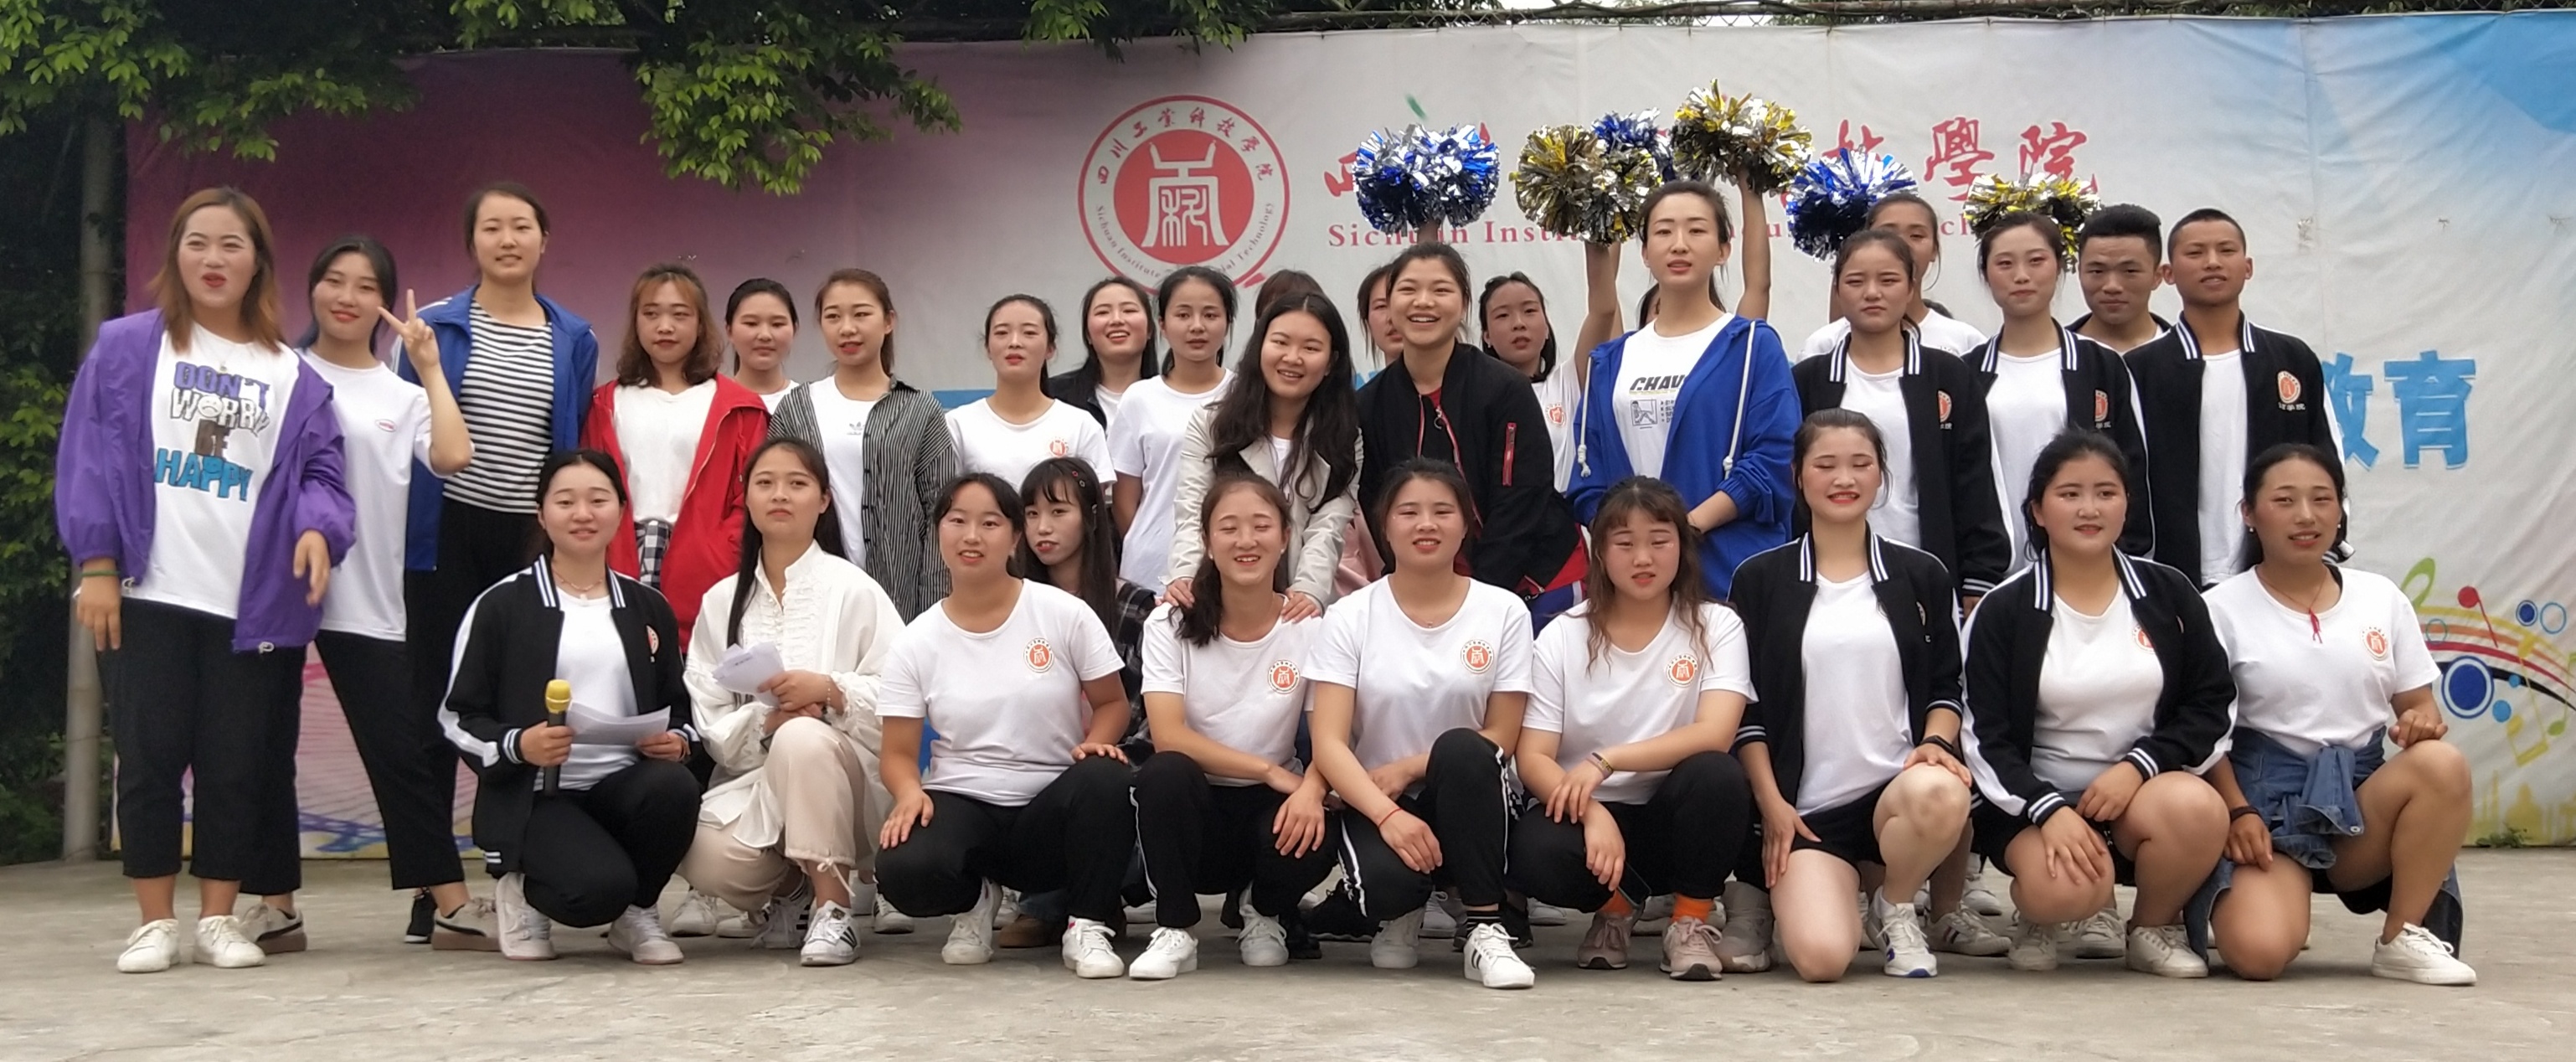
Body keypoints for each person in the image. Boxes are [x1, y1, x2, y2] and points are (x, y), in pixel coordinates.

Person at [59, 188, 356, 973]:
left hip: (251, 605)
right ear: (175, 254)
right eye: (198, 242)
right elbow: (88, 456)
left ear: (258, 261)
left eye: (232, 244)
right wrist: (97, 563)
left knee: (236, 766)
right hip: (147, 593)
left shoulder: (293, 375)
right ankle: (154, 922)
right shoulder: (127, 347)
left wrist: (318, 529)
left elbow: (324, 473)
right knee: (150, 759)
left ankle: (219, 918)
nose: (214, 259)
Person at [240, 236, 486, 953]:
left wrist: (429, 366)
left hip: (368, 593)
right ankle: (276, 905)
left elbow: (453, 455)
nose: (346, 297)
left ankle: (448, 901)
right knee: (265, 744)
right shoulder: (275, 372)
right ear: (311, 288)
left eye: (365, 286)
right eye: (333, 281)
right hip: (273, 588)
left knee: (399, 749)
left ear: (384, 301)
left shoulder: (400, 395)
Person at [1961, 430, 2233, 978]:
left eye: (2106, 493)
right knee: (2065, 891)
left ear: (2127, 504)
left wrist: (2140, 767)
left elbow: (2211, 705)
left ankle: (2152, 927)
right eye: (2070, 494)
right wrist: (2047, 808)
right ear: (2038, 511)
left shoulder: (2169, 593)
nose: (2089, 509)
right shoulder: (2004, 610)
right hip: (2032, 804)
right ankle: (2040, 916)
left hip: (2139, 795)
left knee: (2199, 809)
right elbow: (1983, 737)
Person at [2201, 444, 2475, 985]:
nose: (2306, 516)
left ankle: (2402, 937)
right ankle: (2255, 904)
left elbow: (2418, 703)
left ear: (2340, 510)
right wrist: (2236, 812)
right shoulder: (2219, 608)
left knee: (2442, 765)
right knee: (2258, 954)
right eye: (2285, 501)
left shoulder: (2381, 597)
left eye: (2322, 500)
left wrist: (2420, 723)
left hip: (2359, 808)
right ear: (2249, 513)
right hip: (2265, 815)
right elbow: (2207, 735)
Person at [1731, 411, 1982, 981]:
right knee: (1821, 960)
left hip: (1897, 795)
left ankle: (1896, 906)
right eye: (1826, 465)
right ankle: (1820, 896)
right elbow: (1748, 709)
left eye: (1860, 464)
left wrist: (1936, 743)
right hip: (1809, 812)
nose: (1844, 479)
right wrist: (1773, 806)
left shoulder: (1921, 573)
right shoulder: (1760, 578)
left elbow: (1947, 685)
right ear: (1798, 476)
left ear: (1881, 475)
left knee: (1941, 789)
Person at [439, 451, 703, 965]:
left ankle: (637, 912)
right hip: (536, 798)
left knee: (674, 788)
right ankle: (522, 891)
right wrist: (519, 745)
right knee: (595, 892)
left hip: (621, 788)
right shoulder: (502, 605)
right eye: (565, 502)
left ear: (621, 509)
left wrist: (677, 741)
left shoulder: (646, 606)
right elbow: (457, 717)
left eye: (598, 500)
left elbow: (681, 708)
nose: (583, 514)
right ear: (541, 514)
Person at [873, 474, 1139, 978]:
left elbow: (1112, 703)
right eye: (958, 521)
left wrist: (1095, 745)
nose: (972, 536)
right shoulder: (916, 641)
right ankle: (974, 901)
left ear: (1016, 536)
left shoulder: (1063, 613)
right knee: (903, 868)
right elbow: (898, 753)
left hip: (1050, 803)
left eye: (990, 523)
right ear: (938, 532)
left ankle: (1086, 924)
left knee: (1107, 777)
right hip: (963, 799)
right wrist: (908, 792)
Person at [1506, 477, 1754, 980]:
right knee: (1534, 850)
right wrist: (1592, 812)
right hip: (1591, 817)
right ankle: (1616, 908)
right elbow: (1532, 756)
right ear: (1599, 553)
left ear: (1682, 547)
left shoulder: (1717, 625)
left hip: (1674, 814)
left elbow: (1715, 733)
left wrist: (1607, 760)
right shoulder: (1562, 635)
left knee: (1718, 776)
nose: (1643, 558)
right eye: (1625, 544)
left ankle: (1690, 920)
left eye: (1659, 541)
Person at [1307, 460, 1539, 990]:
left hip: (1472, 795)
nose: (1426, 525)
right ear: (1384, 526)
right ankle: (1404, 907)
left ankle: (1484, 925)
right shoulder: (1350, 615)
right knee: (1386, 889)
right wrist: (1387, 814)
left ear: (1466, 524)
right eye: (1408, 512)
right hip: (1377, 798)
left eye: (1442, 511)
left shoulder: (1503, 611)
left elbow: (1503, 736)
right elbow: (1328, 741)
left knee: (1462, 749)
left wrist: (1412, 767)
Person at [678, 439, 907, 967]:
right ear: (747, 498)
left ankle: (834, 908)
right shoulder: (722, 600)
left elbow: (900, 696)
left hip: (850, 784)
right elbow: (710, 716)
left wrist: (829, 691)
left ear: (823, 500)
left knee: (804, 739)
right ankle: (793, 893)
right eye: (765, 483)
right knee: (694, 850)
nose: (780, 495)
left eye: (797, 484)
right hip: (758, 780)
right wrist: (769, 720)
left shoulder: (854, 589)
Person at [401, 183, 600, 785]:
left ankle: (514, 832)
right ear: (472, 243)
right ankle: (430, 846)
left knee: (523, 689)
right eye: (491, 228)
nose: (507, 240)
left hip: (528, 536)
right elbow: (407, 432)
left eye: (521, 227)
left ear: (544, 241)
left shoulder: (574, 337)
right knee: (433, 690)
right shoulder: (433, 328)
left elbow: (568, 437)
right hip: (446, 530)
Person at [1128, 472, 1338, 979]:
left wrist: (1311, 789)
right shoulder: (1169, 624)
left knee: (1323, 821)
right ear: (1206, 541)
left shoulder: (1310, 628)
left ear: (1285, 537)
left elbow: (1331, 735)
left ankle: (1262, 910)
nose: (1246, 540)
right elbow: (1169, 735)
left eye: (1261, 526)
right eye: (1229, 528)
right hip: (1197, 806)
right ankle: (1176, 926)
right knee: (1164, 772)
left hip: (1271, 810)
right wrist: (1268, 770)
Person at [1567, 180, 1800, 600]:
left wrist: (1683, 530)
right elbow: (1587, 476)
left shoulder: (1752, 346)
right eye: (1663, 231)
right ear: (1644, 252)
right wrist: (1633, 545)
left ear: (1724, 248)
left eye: (1696, 230)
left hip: (1727, 580)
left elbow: (1774, 460)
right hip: (1631, 588)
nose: (1679, 244)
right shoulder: (1610, 361)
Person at [1358, 243, 1586, 622]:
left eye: (1441, 289)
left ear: (1463, 303)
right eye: (1409, 289)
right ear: (1391, 304)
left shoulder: (1505, 388)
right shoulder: (1369, 405)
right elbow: (1379, 508)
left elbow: (1522, 499)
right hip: (1430, 593)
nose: (1424, 302)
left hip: (1539, 578)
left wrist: (1476, 599)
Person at [1791, 229, 2011, 606]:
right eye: (1856, 281)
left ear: (1911, 288)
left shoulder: (1948, 376)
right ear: (1837, 289)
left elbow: (1975, 479)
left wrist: (1979, 577)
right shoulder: (1809, 379)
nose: (1872, 293)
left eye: (1888, 280)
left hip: (1927, 571)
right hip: (1826, 578)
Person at [2126, 208, 2341, 587]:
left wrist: (2327, 546)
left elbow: (2326, 457)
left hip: (2275, 571)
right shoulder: (2139, 369)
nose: (2212, 262)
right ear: (2168, 273)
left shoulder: (2290, 359)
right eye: (2195, 253)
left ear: (2248, 267)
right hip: (2170, 575)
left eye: (2226, 251)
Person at [580, 262, 768, 638]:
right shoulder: (604, 404)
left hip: (707, 570)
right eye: (651, 314)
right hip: (617, 560)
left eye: (680, 315)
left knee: (699, 669)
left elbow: (752, 495)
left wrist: (719, 551)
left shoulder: (739, 407)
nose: (665, 326)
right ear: (635, 322)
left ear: (701, 324)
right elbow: (586, 484)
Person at [767, 269, 957, 621]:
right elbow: (773, 502)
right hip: (813, 595)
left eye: (861, 314)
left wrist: (934, 608)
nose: (847, 328)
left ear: (888, 321)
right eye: (833, 317)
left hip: (900, 597)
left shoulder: (919, 408)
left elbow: (942, 511)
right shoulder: (797, 407)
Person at [1971, 211, 2154, 570]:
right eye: (2005, 263)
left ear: (2059, 267)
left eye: (2036, 261)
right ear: (1986, 274)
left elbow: (2131, 468)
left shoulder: (2100, 366)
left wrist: (2129, 562)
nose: (2021, 276)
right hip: (1994, 570)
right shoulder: (1967, 372)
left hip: (2088, 566)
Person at [1162, 293, 1362, 620]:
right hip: (1220, 598)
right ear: (1260, 347)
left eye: (1311, 348)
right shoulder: (1213, 423)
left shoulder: (1344, 436)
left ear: (1331, 362)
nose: (1292, 358)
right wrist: (1185, 575)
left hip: (1298, 608)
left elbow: (1330, 524)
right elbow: (1193, 508)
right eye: (1280, 342)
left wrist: (1309, 590)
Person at [1110, 267, 1234, 595]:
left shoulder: (1244, 396)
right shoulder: (1139, 398)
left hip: (1231, 561)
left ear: (1227, 322)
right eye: (1183, 314)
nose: (1197, 326)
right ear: (1162, 325)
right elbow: (1124, 499)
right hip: (1150, 566)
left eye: (1210, 314)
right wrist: (1150, 537)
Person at [947, 294, 1110, 487]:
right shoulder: (958, 425)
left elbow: (1092, 500)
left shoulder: (1081, 426)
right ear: (988, 348)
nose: (1014, 342)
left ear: (1050, 348)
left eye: (1029, 333)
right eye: (1002, 333)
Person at [1801, 193, 1988, 359]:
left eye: (1916, 236)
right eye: (1887, 234)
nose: (1903, 244)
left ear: (1934, 250)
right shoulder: (1824, 345)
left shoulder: (1966, 343)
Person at [1479, 272, 1584, 492]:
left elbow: (1604, 311)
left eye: (1529, 311)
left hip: (1564, 510)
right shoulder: (1475, 396)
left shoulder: (1568, 381)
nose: (1518, 324)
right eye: (1503, 315)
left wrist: (1600, 249)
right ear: (1486, 336)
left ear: (1546, 327)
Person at [1049, 276, 1158, 426]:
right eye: (1102, 312)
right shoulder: (1053, 396)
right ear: (1088, 334)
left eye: (1129, 310)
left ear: (1149, 329)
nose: (1116, 320)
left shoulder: (1172, 398)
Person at [2068, 204, 2172, 353]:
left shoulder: (2190, 356)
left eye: (2130, 271)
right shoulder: (2055, 355)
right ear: (2080, 273)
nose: (2112, 286)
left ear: (2157, 276)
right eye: (2097, 271)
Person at [725, 277, 800, 410]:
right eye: (751, 323)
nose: (765, 335)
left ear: (794, 330)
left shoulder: (810, 403)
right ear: (729, 331)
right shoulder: (709, 402)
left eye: (777, 324)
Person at [1353, 263, 1401, 383]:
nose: (1391, 318)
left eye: (1400, 304)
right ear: (1367, 322)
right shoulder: (1366, 394)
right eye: (1381, 306)